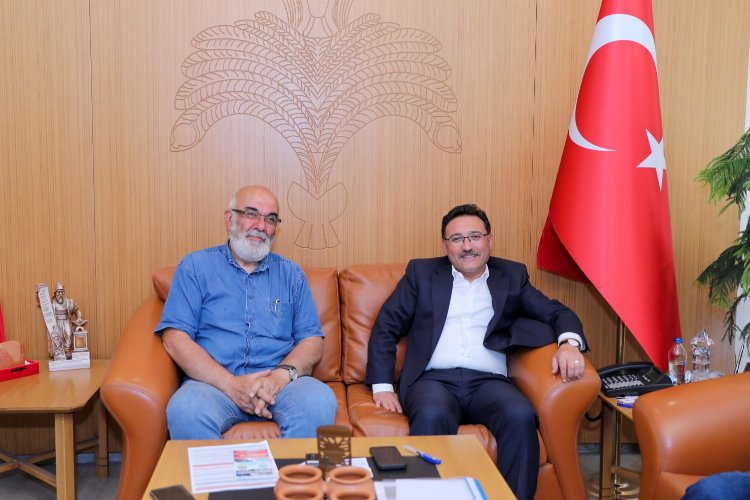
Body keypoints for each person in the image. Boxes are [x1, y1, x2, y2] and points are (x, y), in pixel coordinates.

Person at [365, 204, 588, 500]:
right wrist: (382, 386)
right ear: (445, 245)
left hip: (489, 383)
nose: (467, 246)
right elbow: (386, 326)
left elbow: (557, 312)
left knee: (520, 415)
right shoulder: (421, 273)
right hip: (433, 381)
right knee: (431, 414)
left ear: (489, 240)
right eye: (457, 239)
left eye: (474, 236)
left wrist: (569, 344)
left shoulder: (512, 276)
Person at [156, 185, 337, 439]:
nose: (261, 226)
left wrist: (279, 377)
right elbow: (175, 338)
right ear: (229, 218)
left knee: (318, 401)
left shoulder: (292, 275)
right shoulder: (194, 267)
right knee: (186, 409)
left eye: (270, 219)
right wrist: (231, 385)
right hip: (213, 387)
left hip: (279, 387)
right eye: (251, 214)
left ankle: (291, 469)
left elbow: (312, 340)